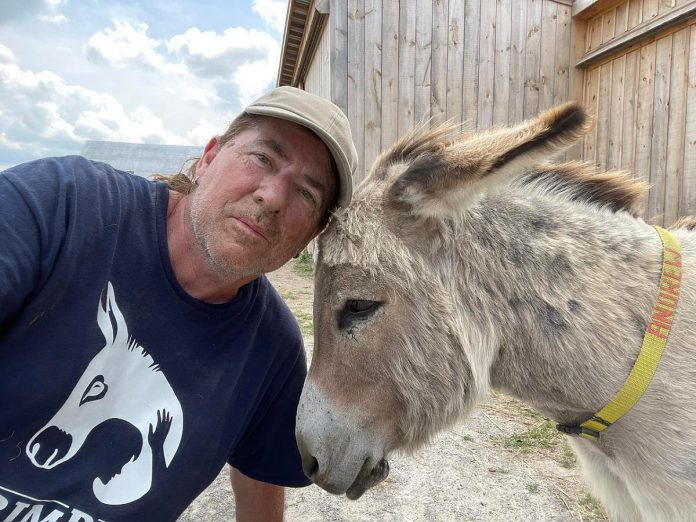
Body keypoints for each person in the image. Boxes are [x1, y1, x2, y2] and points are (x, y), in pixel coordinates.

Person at [0, 86, 357, 521]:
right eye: (263, 158)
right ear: (208, 157)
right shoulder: (63, 205)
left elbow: (261, 481)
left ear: (311, 237)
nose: (274, 197)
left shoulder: (272, 351)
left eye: (306, 194)